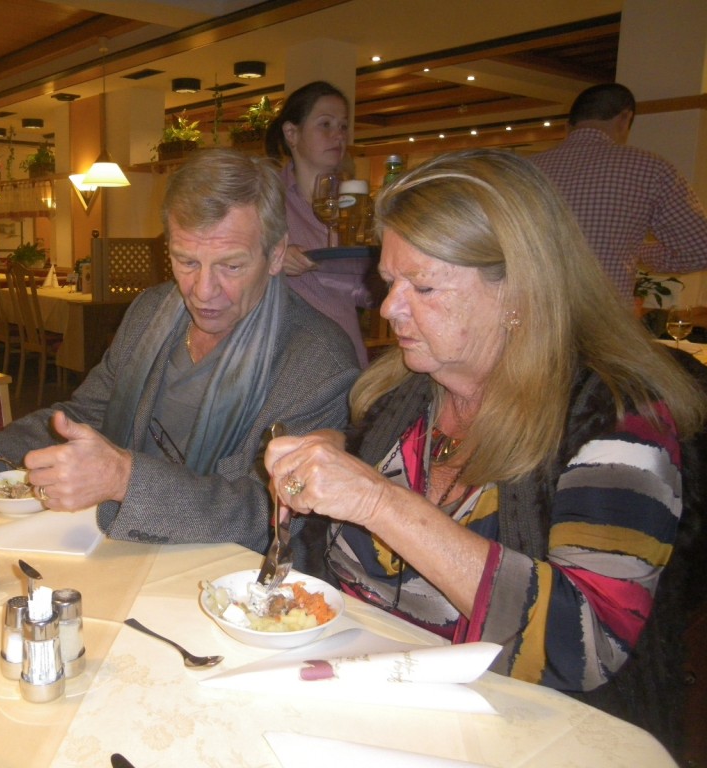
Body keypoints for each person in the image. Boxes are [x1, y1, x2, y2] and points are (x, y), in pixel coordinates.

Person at [264, 150, 705, 708]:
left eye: (424, 288)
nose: (390, 308)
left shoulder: (617, 418)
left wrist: (378, 501)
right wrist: (335, 452)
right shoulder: (406, 393)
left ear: (518, 292)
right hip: (365, 700)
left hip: (529, 727)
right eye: (390, 282)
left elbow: (585, 645)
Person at [0, 149, 359, 552]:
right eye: (186, 261)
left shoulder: (319, 363)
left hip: (227, 575)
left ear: (276, 255)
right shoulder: (151, 311)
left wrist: (124, 479)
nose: (203, 291)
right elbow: (86, 414)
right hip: (116, 546)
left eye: (231, 266)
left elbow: (265, 513)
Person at [531, 82, 707, 299]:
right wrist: (638, 251)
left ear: (569, 126)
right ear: (625, 118)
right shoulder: (650, 169)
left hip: (529, 310)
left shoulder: (524, 169)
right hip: (602, 312)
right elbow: (701, 251)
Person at [265, 80, 372, 367]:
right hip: (288, 358)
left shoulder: (355, 203)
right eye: (325, 124)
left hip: (347, 353)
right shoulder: (266, 197)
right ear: (291, 133)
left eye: (343, 126)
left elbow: (363, 295)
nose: (338, 135)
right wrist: (271, 260)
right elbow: (232, 265)